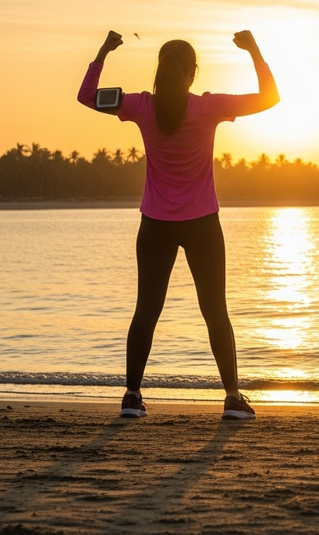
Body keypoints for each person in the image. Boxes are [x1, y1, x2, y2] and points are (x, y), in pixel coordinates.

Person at [78, 29, 279, 420]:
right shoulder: (208, 107)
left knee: (146, 310)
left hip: (155, 223)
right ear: (192, 73)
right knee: (214, 310)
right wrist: (254, 50)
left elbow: (87, 96)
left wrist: (102, 51)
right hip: (202, 223)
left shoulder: (140, 105)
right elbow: (270, 97)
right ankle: (233, 398)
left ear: (160, 70)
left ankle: (132, 397)